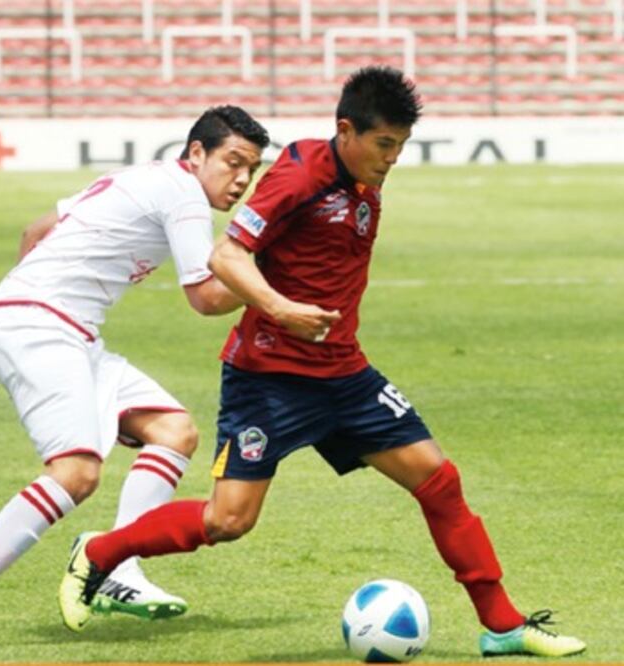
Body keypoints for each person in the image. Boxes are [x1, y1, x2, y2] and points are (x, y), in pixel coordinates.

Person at [58, 67, 586, 658]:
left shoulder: (363, 178)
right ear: (345, 131)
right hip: (268, 380)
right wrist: (282, 309)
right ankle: (99, 554)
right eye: (384, 145)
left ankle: (504, 626)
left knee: (440, 483)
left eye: (400, 147)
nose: (392, 159)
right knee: (228, 521)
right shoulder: (302, 172)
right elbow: (227, 255)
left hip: (346, 377)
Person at [0, 106, 270, 654]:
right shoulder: (180, 192)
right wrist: (269, 281)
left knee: (174, 431)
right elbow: (205, 298)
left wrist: (23, 296)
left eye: (253, 168)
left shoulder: (144, 176)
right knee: (77, 472)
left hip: (58, 327)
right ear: (196, 153)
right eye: (233, 162)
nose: (243, 179)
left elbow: (36, 230)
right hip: (41, 325)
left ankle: (117, 566)